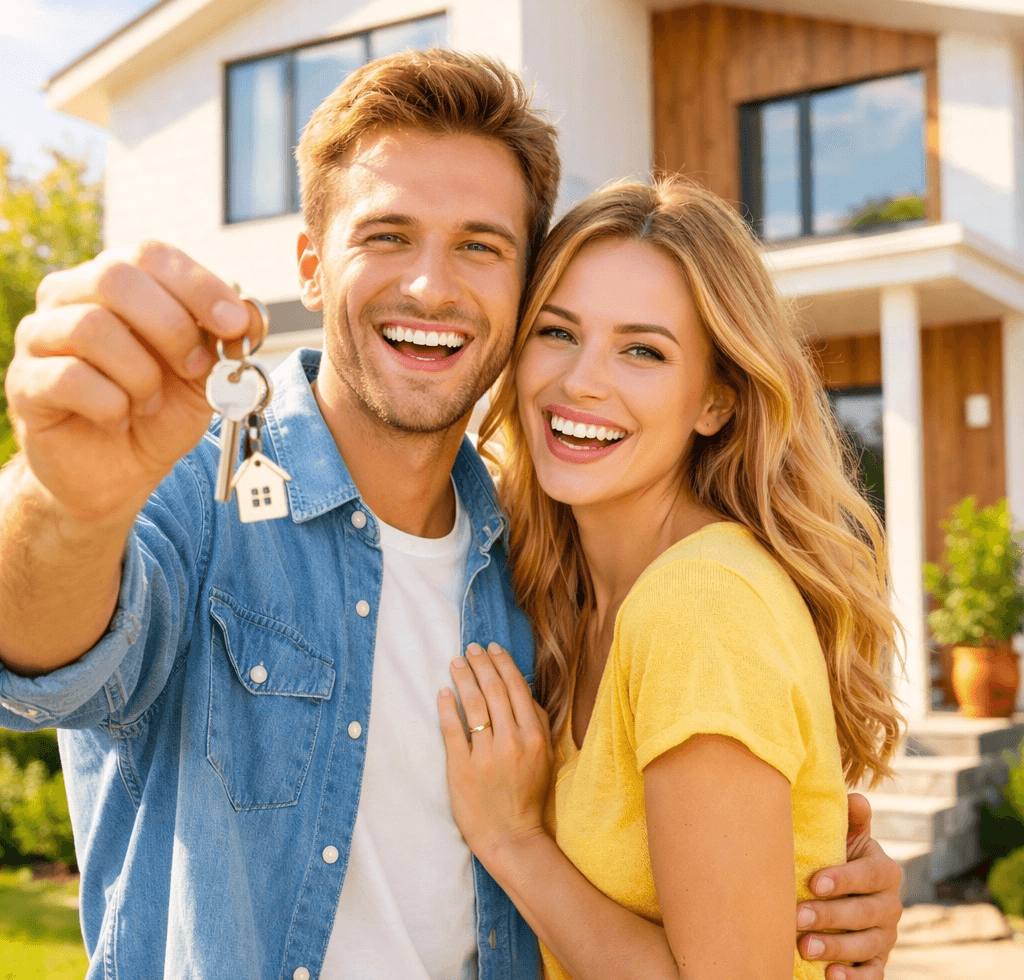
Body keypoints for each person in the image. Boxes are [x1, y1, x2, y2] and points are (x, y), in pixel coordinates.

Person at [0, 50, 899, 979]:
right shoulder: (198, 488)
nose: (431, 286)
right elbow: (46, 665)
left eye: (479, 245)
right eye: (387, 234)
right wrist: (64, 499)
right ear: (312, 264)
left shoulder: (534, 562)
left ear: (518, 288)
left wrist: (810, 892)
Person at [437, 178, 904, 980]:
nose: (581, 381)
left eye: (643, 350)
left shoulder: (698, 605)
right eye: (557, 331)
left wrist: (513, 841)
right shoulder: (566, 590)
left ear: (716, 400)